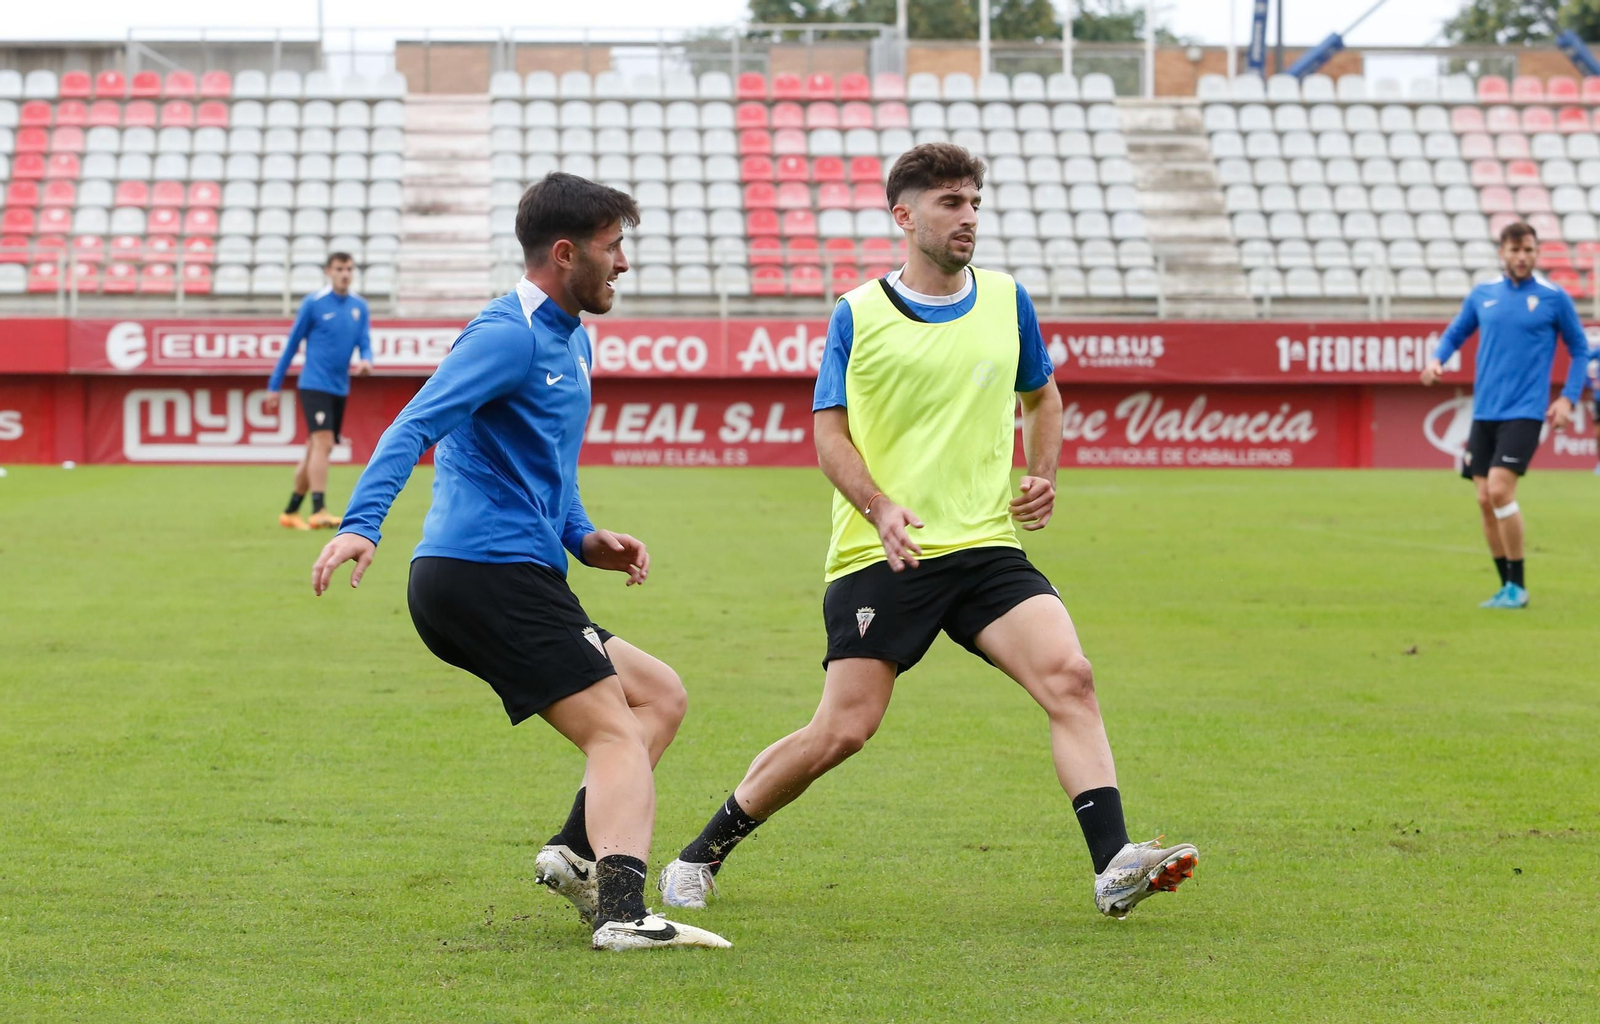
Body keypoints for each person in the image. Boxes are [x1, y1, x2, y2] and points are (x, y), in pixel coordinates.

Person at [657, 144, 1198, 922]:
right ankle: (699, 854)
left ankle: (1113, 866)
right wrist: (877, 505)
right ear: (904, 216)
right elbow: (828, 435)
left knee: (1071, 678)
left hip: (985, 548)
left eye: (974, 202)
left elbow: (1044, 398)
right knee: (844, 729)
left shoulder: (1008, 300)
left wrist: (1042, 472)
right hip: (885, 551)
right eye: (950, 202)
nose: (968, 216)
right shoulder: (859, 313)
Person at [309, 173, 729, 952]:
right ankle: (624, 914)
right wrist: (363, 523)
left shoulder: (570, 339)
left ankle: (574, 856)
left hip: (515, 572)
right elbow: (413, 425)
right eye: (614, 248)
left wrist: (584, 537)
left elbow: (547, 472)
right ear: (565, 254)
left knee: (658, 697)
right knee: (614, 735)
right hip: (480, 573)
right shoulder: (505, 334)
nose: (624, 264)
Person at [1423, 221, 1589, 609]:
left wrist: (1566, 398)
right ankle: (1507, 586)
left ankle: (1519, 585)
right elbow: (1455, 333)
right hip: (1485, 412)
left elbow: (1579, 349)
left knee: (1499, 489)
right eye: (1515, 250)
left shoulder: (1553, 297)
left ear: (1536, 252)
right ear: (1502, 253)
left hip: (1526, 412)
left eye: (1528, 250)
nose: (1522, 257)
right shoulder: (1483, 295)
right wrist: (1437, 360)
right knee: (1484, 499)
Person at [267, 251, 374, 531]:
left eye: (349, 268)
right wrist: (274, 386)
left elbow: (364, 340)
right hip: (314, 384)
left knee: (316, 448)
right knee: (323, 443)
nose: (345, 274)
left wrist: (366, 359)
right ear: (329, 271)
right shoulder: (314, 303)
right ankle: (318, 510)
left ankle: (290, 511)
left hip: (340, 387)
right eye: (339, 268)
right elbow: (291, 345)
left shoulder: (359, 307)